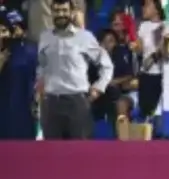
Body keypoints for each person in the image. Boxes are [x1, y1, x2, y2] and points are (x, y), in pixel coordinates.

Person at [37, 0, 113, 139]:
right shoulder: (45, 37)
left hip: (77, 103)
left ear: (72, 12)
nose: (61, 14)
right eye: (57, 11)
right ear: (51, 12)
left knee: (80, 151)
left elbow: (106, 65)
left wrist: (98, 88)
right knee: (51, 151)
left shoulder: (84, 37)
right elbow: (42, 66)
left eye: (64, 10)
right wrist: (39, 89)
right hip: (51, 104)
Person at [0, 9, 37, 140]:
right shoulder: (5, 54)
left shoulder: (31, 52)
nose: (16, 32)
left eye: (18, 27)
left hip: (23, 110)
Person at [132, 0, 167, 118]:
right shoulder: (143, 26)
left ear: (157, 8)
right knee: (146, 110)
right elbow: (140, 50)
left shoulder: (168, 25)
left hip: (163, 75)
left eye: (146, 5)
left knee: (159, 112)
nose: (143, 8)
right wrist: (135, 46)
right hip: (146, 75)